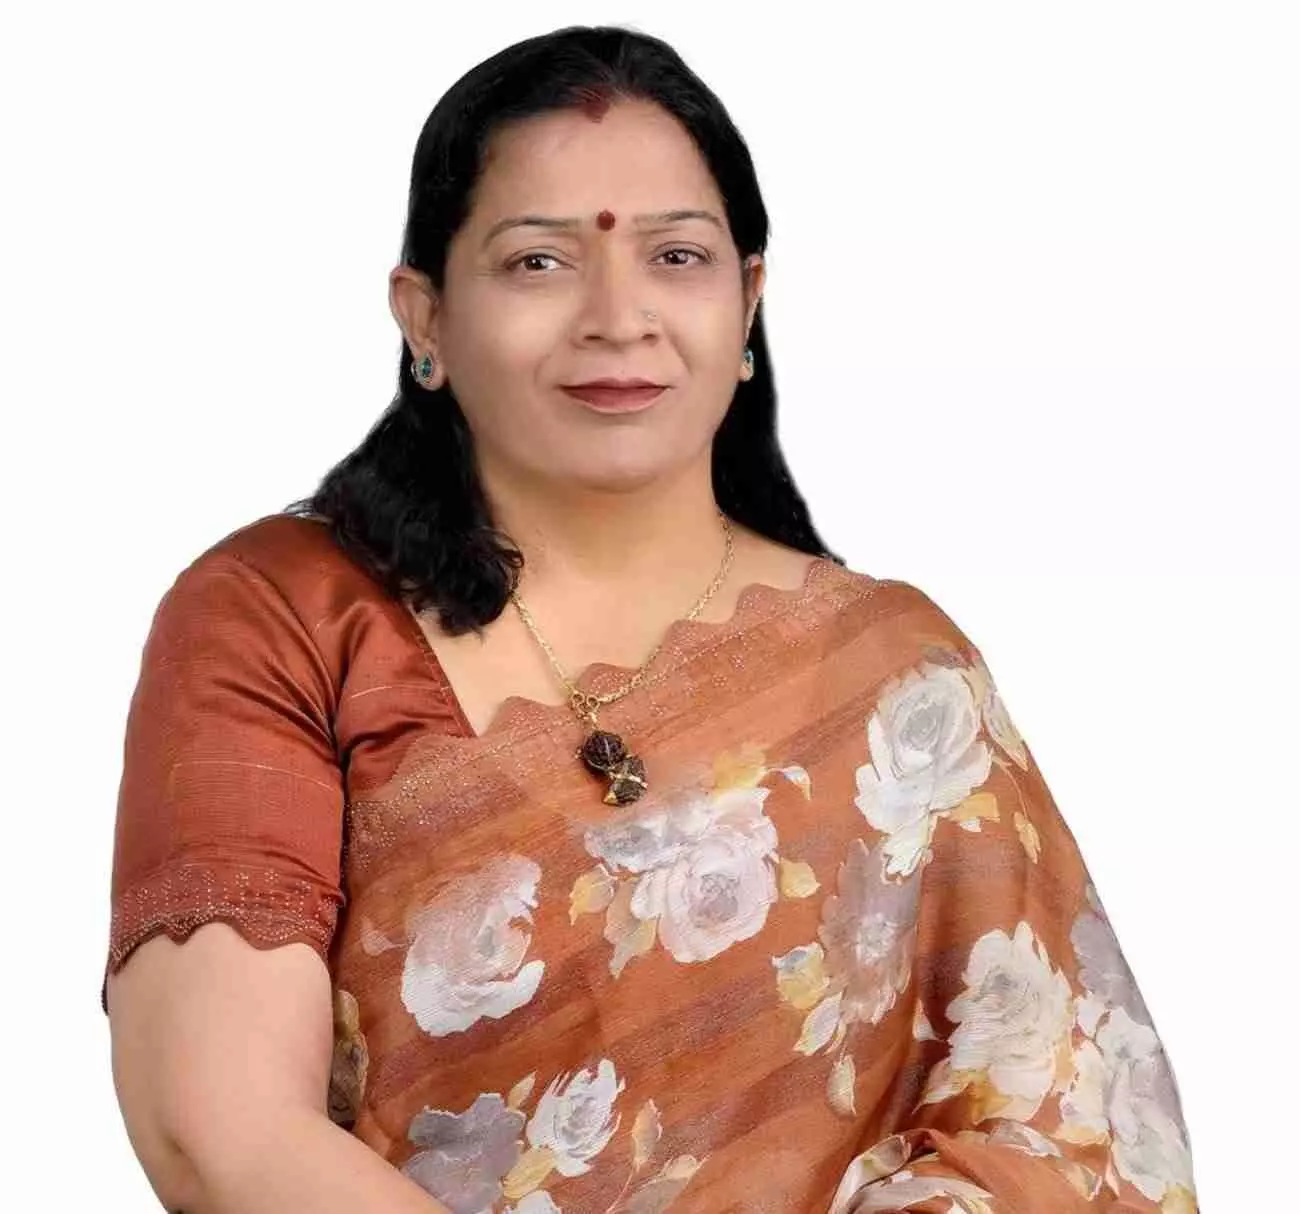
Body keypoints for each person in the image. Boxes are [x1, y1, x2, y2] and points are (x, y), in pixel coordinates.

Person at [102, 24, 1198, 1214]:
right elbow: (219, 1131)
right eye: (537, 262)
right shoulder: (285, 617)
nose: (617, 316)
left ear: (747, 301)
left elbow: (1064, 1127)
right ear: (425, 317)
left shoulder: (895, 675)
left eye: (676, 256)